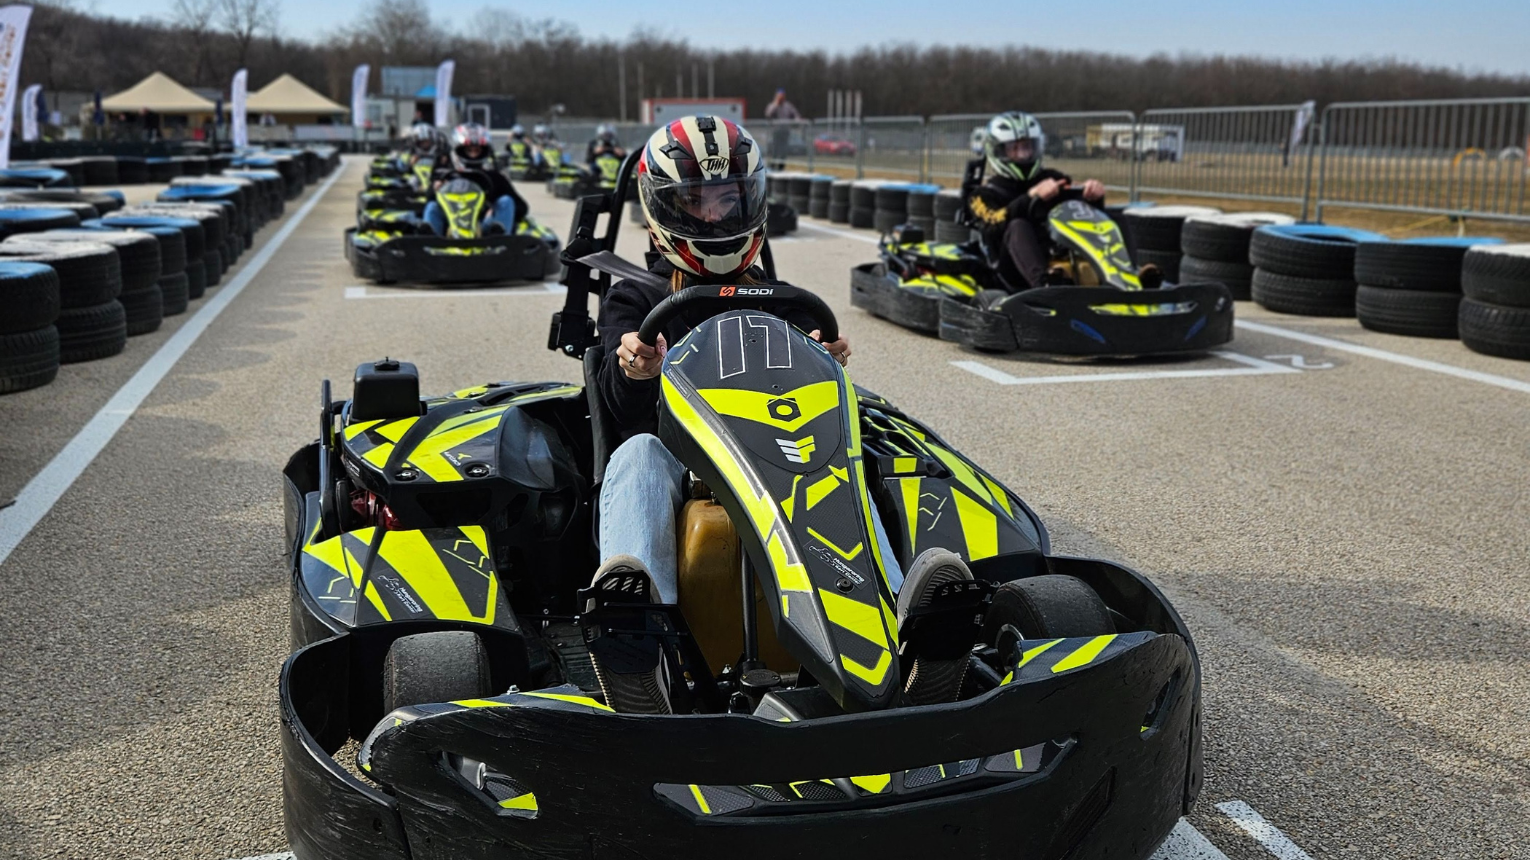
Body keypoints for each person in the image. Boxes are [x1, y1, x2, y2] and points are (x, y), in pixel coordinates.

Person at [589, 114, 974, 714]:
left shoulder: (782, 299)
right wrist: (636, 370)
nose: (715, 217)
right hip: (681, 464)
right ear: (664, 208)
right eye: (698, 202)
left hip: (776, 460)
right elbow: (620, 403)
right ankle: (643, 655)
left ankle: (902, 638)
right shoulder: (636, 297)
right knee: (638, 455)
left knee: (845, 461)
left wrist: (823, 362)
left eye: (728, 199)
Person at [966, 111, 1125, 292]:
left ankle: (1127, 278)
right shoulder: (982, 195)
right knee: (1018, 226)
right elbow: (993, 224)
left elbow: (1082, 212)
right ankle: (1045, 287)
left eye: (1027, 147)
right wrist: (1031, 197)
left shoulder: (1053, 179)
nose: (1023, 155)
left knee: (1115, 220)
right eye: (1014, 149)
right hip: (1011, 271)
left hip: (1060, 257)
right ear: (998, 152)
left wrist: (1093, 197)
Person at [421, 123, 526, 236]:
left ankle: (500, 239)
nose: (473, 155)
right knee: (432, 206)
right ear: (460, 150)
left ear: (484, 151)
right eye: (469, 150)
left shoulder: (495, 178)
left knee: (506, 200)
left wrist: (494, 210)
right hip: (451, 227)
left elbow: (522, 207)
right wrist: (435, 188)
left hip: (484, 229)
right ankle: (429, 240)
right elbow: (428, 200)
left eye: (477, 150)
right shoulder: (448, 176)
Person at [763, 89, 800, 169]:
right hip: (776, 131)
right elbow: (768, 114)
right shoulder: (772, 105)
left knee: (783, 148)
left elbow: (795, 114)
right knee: (775, 148)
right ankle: (773, 163)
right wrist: (776, 104)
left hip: (785, 131)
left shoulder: (788, 106)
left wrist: (797, 121)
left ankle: (781, 165)